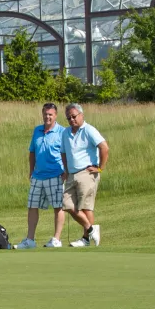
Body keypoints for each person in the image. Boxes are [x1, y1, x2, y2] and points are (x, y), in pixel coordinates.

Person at [16, 103, 66, 249]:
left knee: (58, 207)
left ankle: (56, 239)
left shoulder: (62, 132)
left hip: (55, 174)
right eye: (45, 114)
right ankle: (30, 240)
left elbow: (66, 153)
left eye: (50, 114)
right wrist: (31, 171)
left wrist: (66, 172)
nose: (47, 117)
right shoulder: (37, 130)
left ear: (55, 115)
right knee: (32, 206)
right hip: (38, 175)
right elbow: (32, 152)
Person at [61, 103, 109, 247]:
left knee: (86, 207)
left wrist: (100, 168)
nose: (71, 120)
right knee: (67, 204)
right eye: (68, 118)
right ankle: (91, 229)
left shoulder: (89, 130)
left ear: (81, 115)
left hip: (87, 172)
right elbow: (63, 152)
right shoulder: (65, 132)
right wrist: (66, 169)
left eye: (74, 117)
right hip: (72, 173)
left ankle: (86, 239)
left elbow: (104, 147)